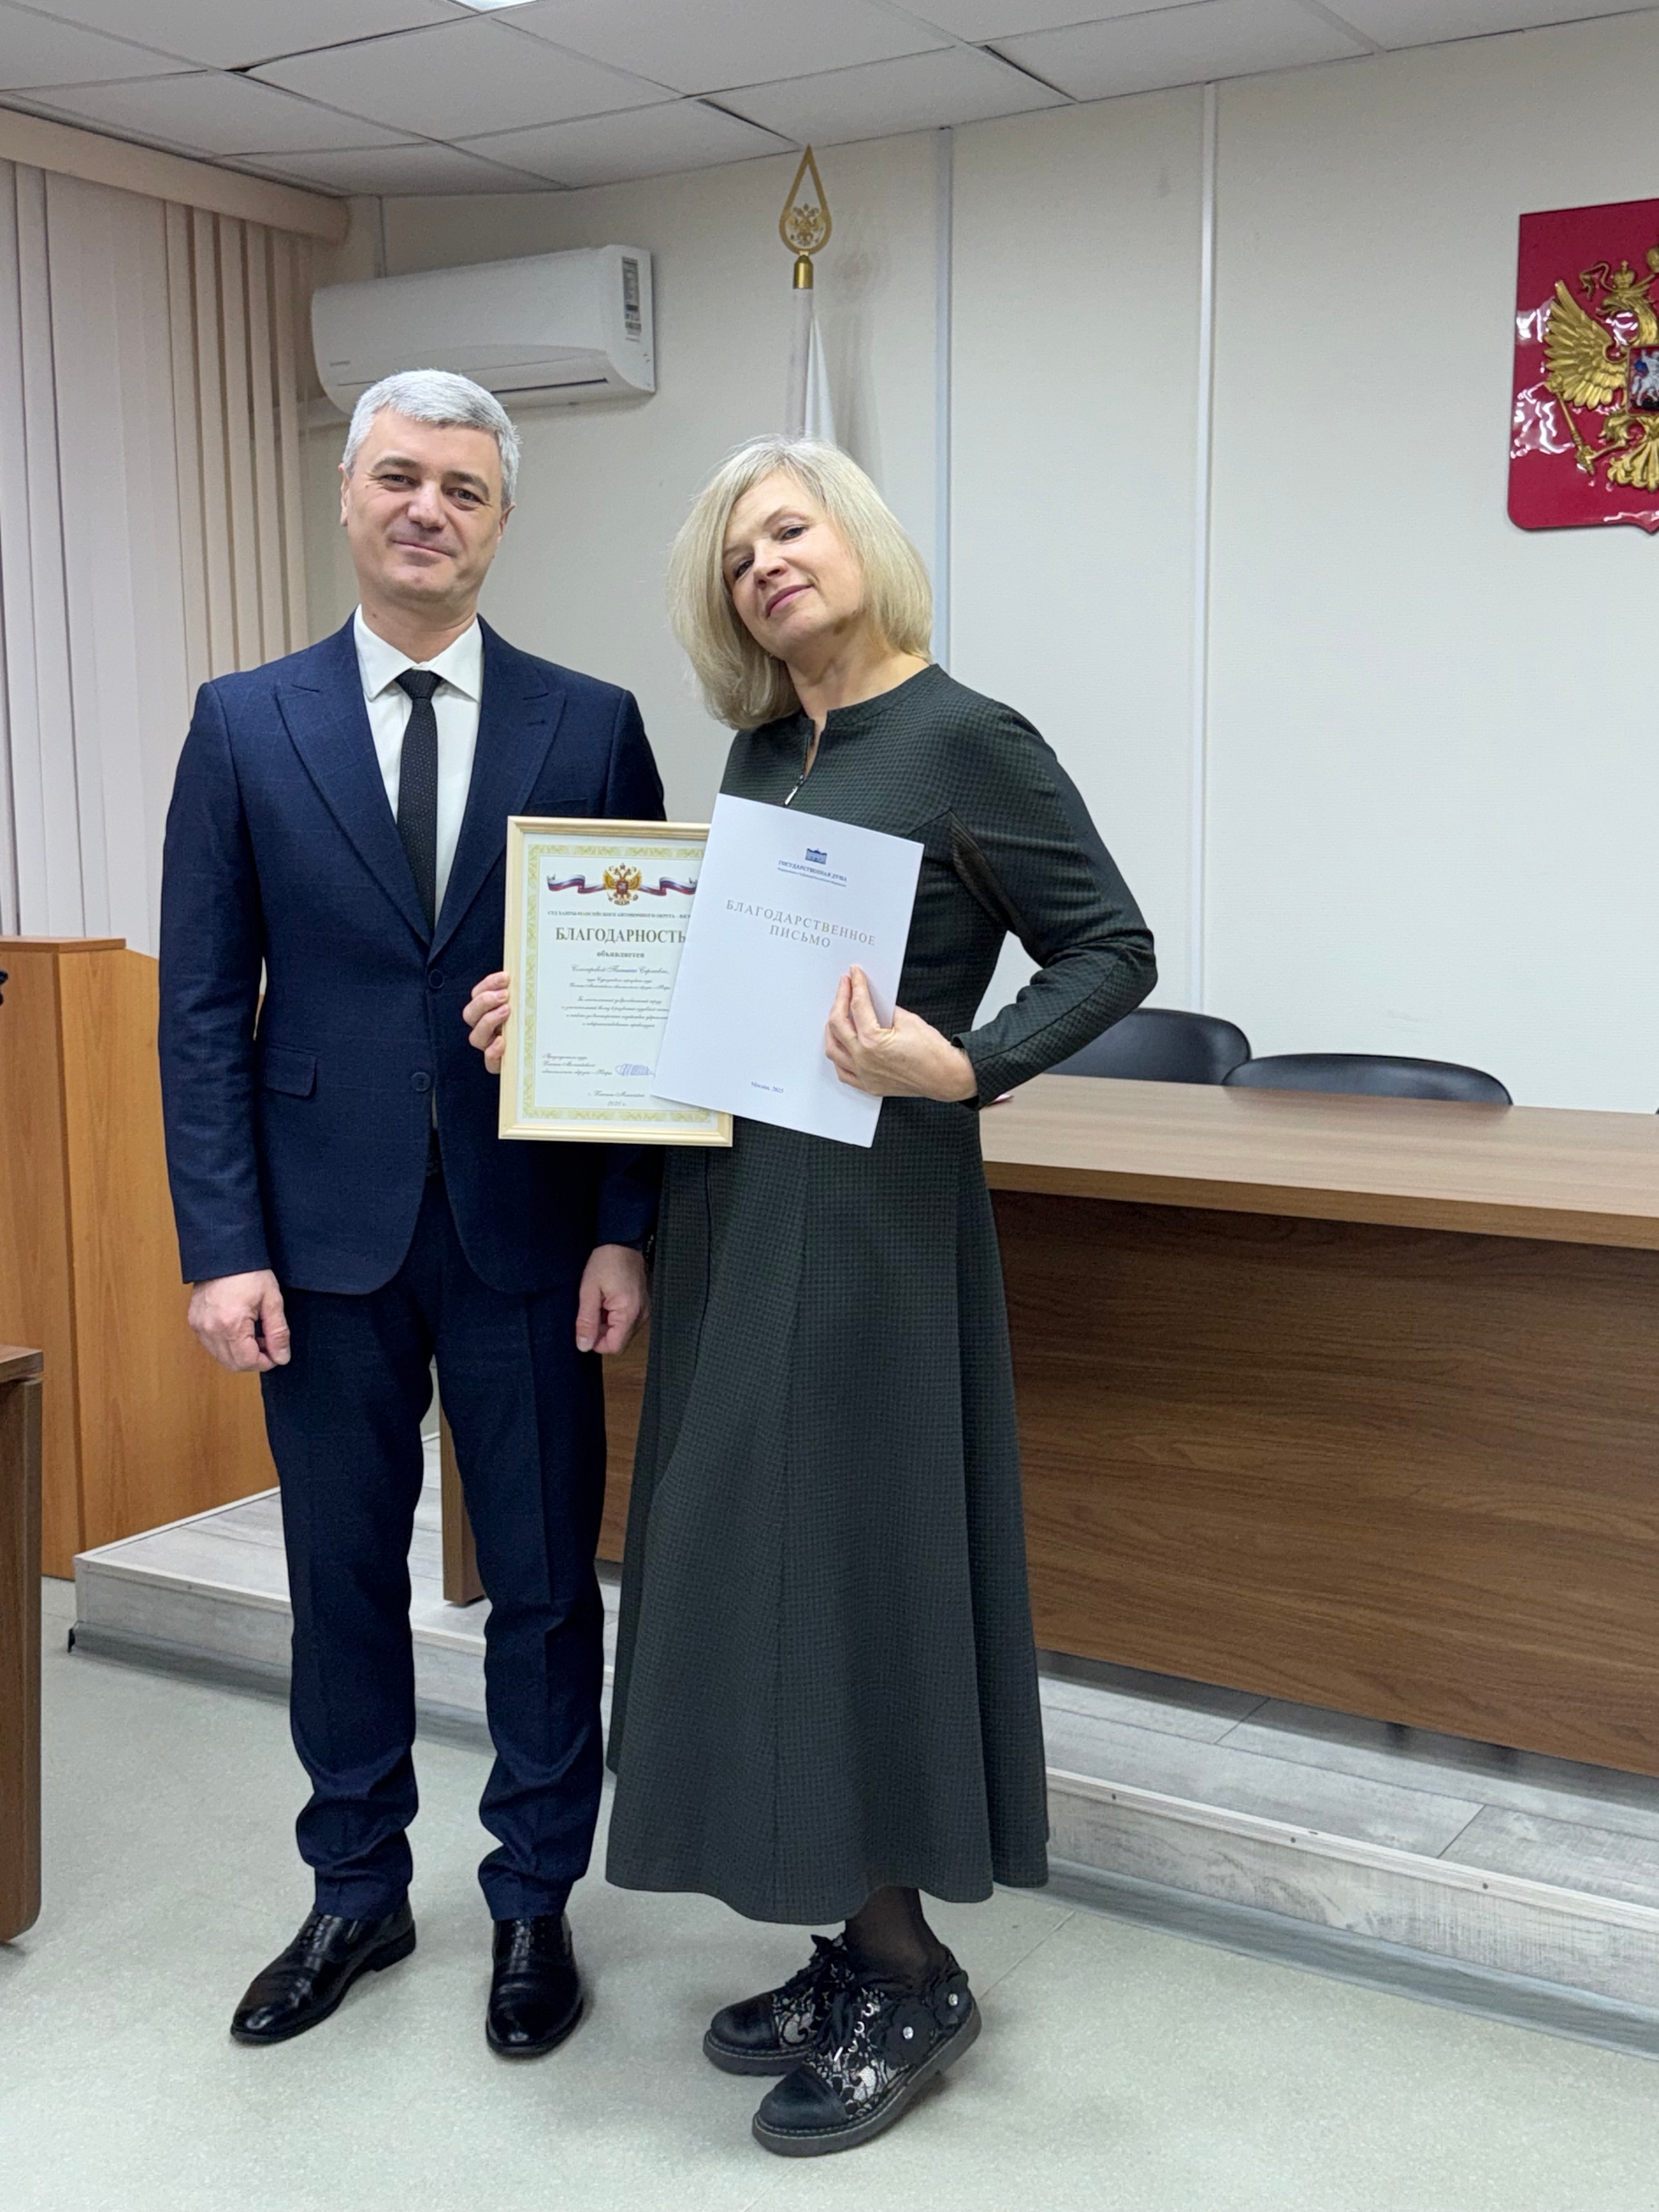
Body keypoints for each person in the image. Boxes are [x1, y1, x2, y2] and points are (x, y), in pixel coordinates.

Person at [464, 436, 1154, 2152]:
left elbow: (1113, 947)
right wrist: (559, 1008)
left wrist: (966, 1063)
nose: (765, 564)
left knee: (845, 1571)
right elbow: (726, 986)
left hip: (870, 1220)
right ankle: (849, 1943)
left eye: (790, 528)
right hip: (732, 1206)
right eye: (736, 556)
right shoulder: (765, 750)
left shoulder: (968, 737)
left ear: (860, 541)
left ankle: (911, 1971)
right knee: (753, 1570)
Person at [158, 370, 661, 2056]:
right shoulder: (245, 721)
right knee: (341, 1577)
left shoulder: (590, 721)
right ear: (350, 496)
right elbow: (202, 1006)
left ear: (502, 520)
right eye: (398, 476)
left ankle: (532, 1902)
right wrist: (223, 1245)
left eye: (463, 485)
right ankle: (355, 1888)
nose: (427, 508)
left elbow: (642, 984)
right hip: (319, 1237)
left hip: (529, 1228)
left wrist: (623, 1221)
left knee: (543, 1582)